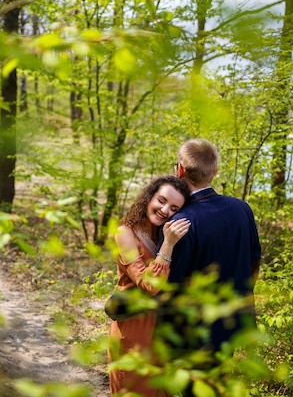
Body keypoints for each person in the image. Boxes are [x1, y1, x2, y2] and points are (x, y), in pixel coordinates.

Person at [158, 139, 261, 376]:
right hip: (232, 320)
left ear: (180, 170)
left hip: (194, 331)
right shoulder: (242, 208)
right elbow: (254, 260)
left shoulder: (179, 223)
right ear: (215, 171)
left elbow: (168, 283)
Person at [108, 175, 192, 397]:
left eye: (174, 208)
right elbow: (148, 284)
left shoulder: (163, 232)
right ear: (149, 197)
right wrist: (168, 245)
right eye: (161, 200)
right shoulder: (125, 233)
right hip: (134, 326)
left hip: (161, 329)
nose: (165, 210)